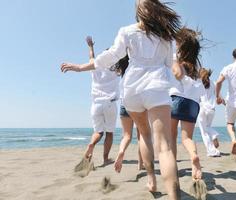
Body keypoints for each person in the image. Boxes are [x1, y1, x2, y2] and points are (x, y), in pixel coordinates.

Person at [61, 0, 181, 198]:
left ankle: (151, 179)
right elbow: (169, 63)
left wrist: (80, 67)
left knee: (144, 134)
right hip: (157, 88)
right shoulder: (166, 37)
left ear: (139, 12)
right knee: (165, 147)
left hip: (132, 90)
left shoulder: (127, 31)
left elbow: (110, 56)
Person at [170, 27, 204, 181]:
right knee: (186, 138)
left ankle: (172, 166)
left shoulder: (177, 61)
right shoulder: (196, 67)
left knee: (171, 136)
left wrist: (173, 62)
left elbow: (177, 74)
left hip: (176, 99)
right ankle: (193, 155)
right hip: (193, 104)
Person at [83, 36, 119, 165]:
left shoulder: (95, 66)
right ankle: (105, 159)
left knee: (98, 132)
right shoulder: (116, 69)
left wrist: (90, 46)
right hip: (110, 103)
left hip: (96, 104)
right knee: (109, 133)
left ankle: (91, 144)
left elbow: (91, 57)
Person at [110, 55, 144, 173]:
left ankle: (121, 151)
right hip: (138, 104)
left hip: (124, 104)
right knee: (142, 136)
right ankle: (140, 164)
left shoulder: (123, 73)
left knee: (127, 136)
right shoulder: (136, 68)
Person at [198, 68, 221, 157]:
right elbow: (219, 97)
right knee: (207, 127)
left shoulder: (199, 83)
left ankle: (212, 151)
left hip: (202, 108)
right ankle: (213, 137)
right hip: (212, 109)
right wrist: (224, 103)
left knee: (204, 131)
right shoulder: (213, 83)